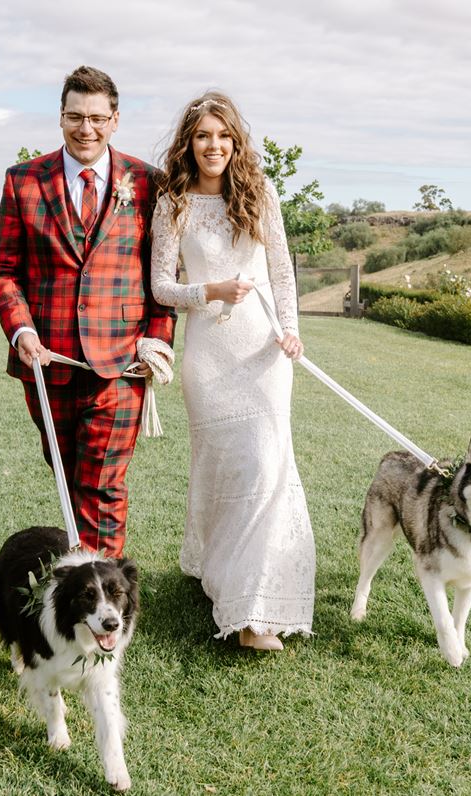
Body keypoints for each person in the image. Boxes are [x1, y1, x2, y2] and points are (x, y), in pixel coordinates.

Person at [0, 66, 176, 558]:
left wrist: (155, 341)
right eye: (75, 116)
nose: (85, 128)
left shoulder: (148, 183)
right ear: (61, 117)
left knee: (104, 484)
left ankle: (106, 595)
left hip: (121, 365)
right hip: (47, 363)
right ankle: (82, 580)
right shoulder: (23, 181)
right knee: (69, 476)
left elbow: (162, 276)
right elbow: (4, 269)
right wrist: (21, 330)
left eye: (96, 117)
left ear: (115, 120)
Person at [150, 91, 314, 651]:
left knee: (266, 468)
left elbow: (282, 274)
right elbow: (161, 287)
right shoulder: (172, 202)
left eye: (223, 136)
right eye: (202, 136)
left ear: (236, 141)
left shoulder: (260, 194)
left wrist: (291, 329)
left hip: (264, 354)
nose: (213, 146)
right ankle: (219, 572)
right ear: (189, 143)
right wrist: (210, 290)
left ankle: (253, 613)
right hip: (209, 357)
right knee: (224, 472)